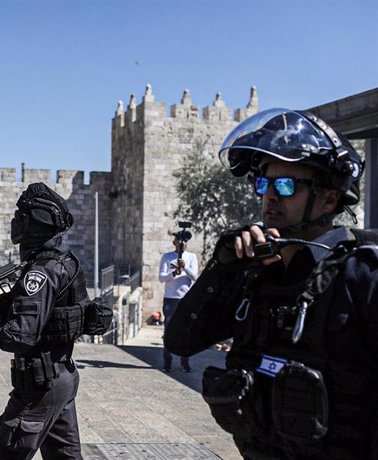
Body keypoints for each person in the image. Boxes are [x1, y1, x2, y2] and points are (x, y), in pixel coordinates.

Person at [164, 108, 378, 459]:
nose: (270, 196)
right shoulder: (258, 277)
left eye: (286, 184)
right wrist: (223, 267)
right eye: (263, 184)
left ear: (329, 198)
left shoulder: (362, 277)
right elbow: (180, 341)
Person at [0, 182, 88, 460]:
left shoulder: (39, 272)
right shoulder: (63, 262)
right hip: (61, 377)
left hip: (39, 386)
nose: (15, 222)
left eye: (20, 216)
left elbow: (18, 336)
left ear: (34, 223)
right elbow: (38, 314)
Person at [158, 231, 198, 373]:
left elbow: (194, 277)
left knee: (186, 331)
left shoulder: (192, 257)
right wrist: (174, 273)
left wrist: (185, 267)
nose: (182, 244)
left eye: (185, 241)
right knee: (169, 330)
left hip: (186, 299)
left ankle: (184, 362)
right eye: (179, 241)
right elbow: (161, 278)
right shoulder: (167, 257)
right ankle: (167, 362)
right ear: (174, 242)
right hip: (171, 299)